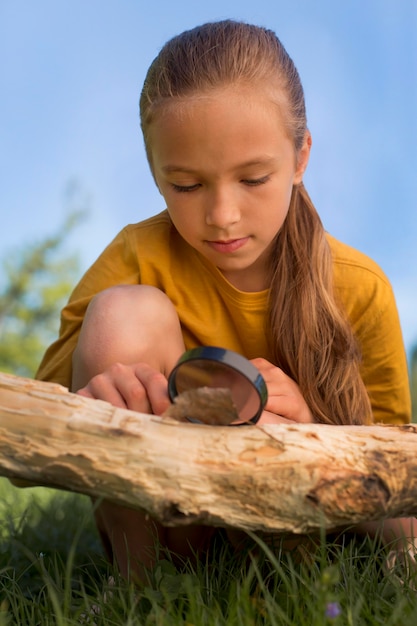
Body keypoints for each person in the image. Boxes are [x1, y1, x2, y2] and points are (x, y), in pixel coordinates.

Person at [36, 20, 414, 582]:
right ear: (156, 174)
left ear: (301, 156)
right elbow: (33, 431)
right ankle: (136, 589)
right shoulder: (138, 255)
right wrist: (91, 400)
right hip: (171, 529)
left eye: (254, 178)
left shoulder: (358, 286)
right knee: (121, 313)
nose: (222, 215)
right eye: (187, 186)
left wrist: (312, 430)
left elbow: (402, 516)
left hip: (296, 539)